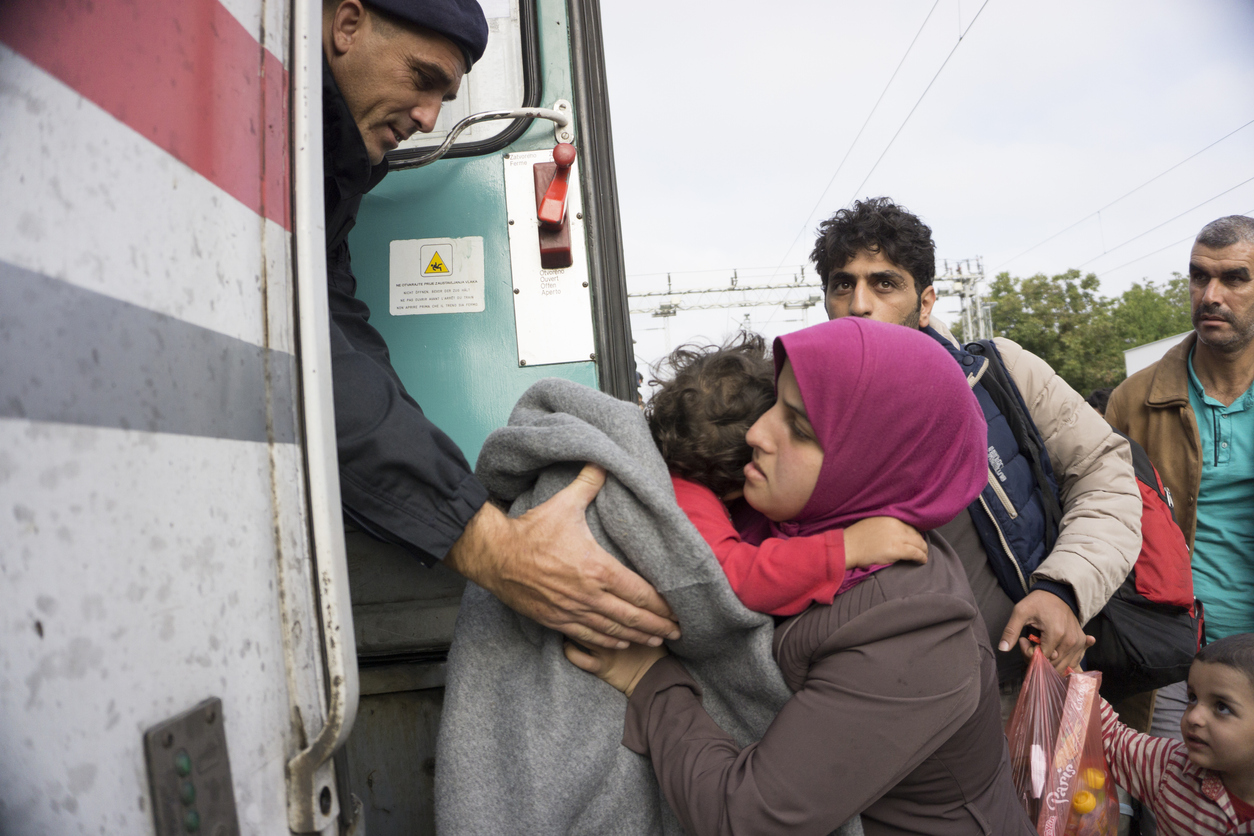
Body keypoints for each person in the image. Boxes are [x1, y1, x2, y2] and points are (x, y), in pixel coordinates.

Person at [567, 318, 1035, 836]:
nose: (755, 434)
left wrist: (648, 680)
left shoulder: (915, 634)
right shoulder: (790, 517)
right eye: (775, 406)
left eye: (801, 427)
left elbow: (746, 819)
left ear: (870, 464)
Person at [319, 0, 678, 649]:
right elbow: (308, 362)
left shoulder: (329, 174)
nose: (429, 118)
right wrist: (491, 546)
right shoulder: (253, 134)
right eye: (422, 78)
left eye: (446, 98)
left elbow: (342, 337)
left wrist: (458, 495)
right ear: (347, 25)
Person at [812, 197, 1142, 708]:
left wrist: (1063, 589)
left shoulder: (999, 375)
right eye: (842, 284)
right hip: (875, 708)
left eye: (884, 283)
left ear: (924, 303)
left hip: (1021, 689)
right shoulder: (799, 415)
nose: (859, 303)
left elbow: (1106, 477)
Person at [645, 332, 928, 616]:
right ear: (746, 470)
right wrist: (845, 548)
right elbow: (735, 580)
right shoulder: (686, 497)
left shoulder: (681, 480)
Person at [1106, 214, 1254, 739]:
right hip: (1171, 658)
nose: (1211, 294)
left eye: (1235, 278)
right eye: (1198, 277)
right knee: (1173, 810)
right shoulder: (1135, 399)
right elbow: (1102, 522)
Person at [1096, 632, 1254, 835]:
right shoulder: (1172, 768)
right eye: (1192, 698)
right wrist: (1075, 677)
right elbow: (1113, 740)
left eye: (1222, 707)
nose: (1194, 716)